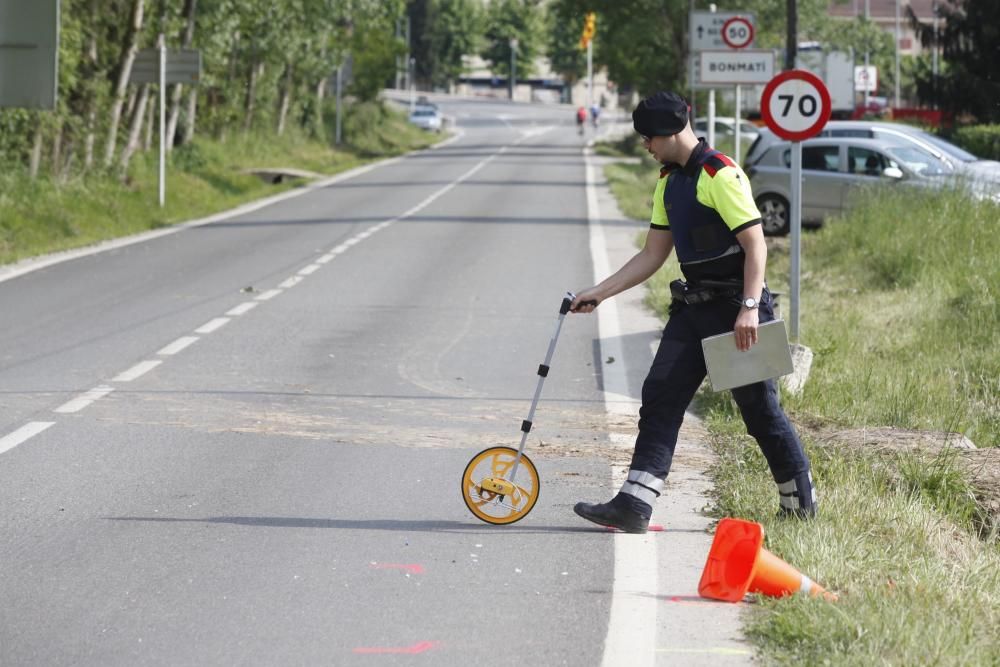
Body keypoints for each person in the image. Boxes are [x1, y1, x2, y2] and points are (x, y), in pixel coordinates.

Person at [570, 91, 817, 534]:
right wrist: (600, 293)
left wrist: (748, 309)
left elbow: (755, 244)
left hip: (737, 310)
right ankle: (634, 504)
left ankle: (800, 504)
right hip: (695, 308)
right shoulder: (668, 182)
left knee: (759, 411)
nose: (645, 145)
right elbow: (652, 254)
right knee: (660, 395)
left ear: (669, 131)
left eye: (648, 137)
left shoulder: (719, 174)